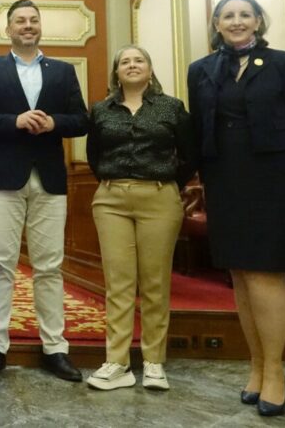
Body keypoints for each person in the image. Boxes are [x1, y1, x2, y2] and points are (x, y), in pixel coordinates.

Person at [187, 0, 285, 418]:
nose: (237, 21)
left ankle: (276, 370)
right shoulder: (201, 70)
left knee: (266, 271)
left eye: (245, 14)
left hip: (276, 175)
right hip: (226, 176)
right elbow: (198, 128)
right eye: (228, 15)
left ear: (259, 21)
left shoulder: (281, 62)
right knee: (240, 274)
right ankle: (257, 365)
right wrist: (197, 179)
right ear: (217, 23)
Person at [0, 0, 88, 382]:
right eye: (20, 21)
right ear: (8, 28)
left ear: (40, 26)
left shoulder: (63, 72)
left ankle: (55, 348)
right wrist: (14, 120)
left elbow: (81, 119)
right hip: (3, 177)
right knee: (1, 263)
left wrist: (54, 124)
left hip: (49, 178)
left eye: (34, 20)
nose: (28, 26)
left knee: (49, 265)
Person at [85, 45, 196, 392]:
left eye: (139, 60)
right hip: (111, 199)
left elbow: (189, 155)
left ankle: (153, 362)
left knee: (154, 282)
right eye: (125, 62)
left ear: (150, 68)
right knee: (118, 282)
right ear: (116, 72)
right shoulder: (101, 110)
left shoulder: (172, 108)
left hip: (159, 198)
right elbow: (93, 155)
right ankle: (117, 363)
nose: (132, 65)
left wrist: (165, 185)